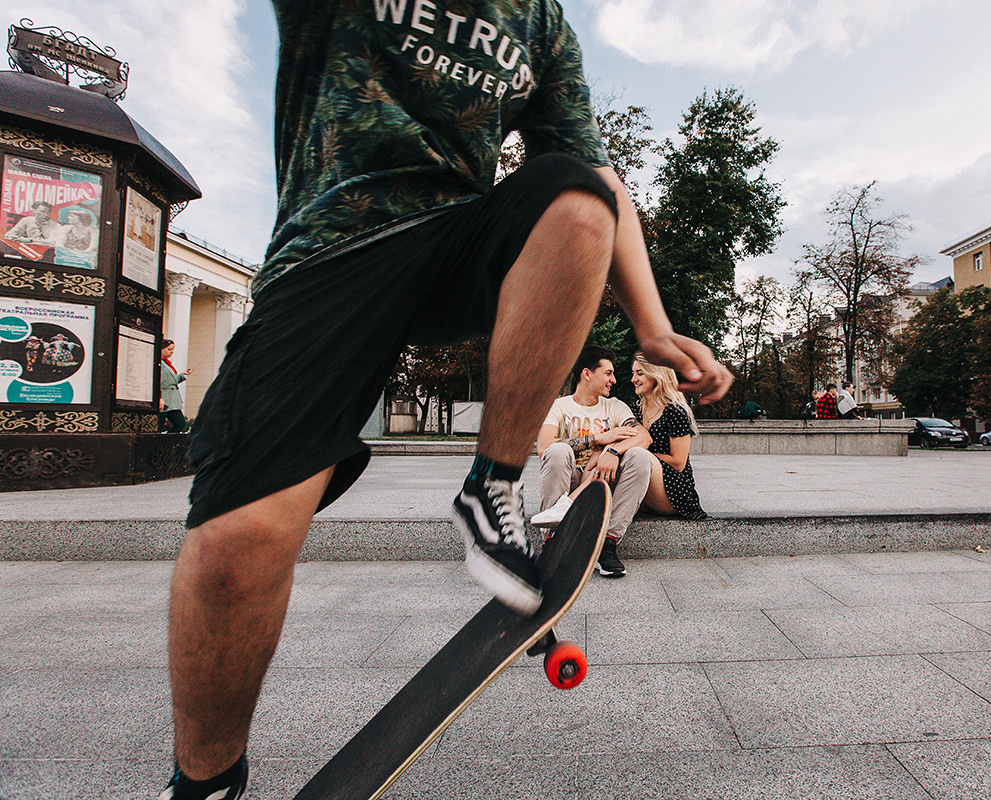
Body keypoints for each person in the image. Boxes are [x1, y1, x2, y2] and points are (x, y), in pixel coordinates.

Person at [160, 4, 733, 799]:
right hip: (335, 253)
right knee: (236, 545)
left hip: (459, 246)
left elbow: (602, 179)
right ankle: (208, 783)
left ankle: (490, 482)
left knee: (576, 195)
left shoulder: (536, 20)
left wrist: (654, 326)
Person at [534, 344, 654, 578]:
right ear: (587, 374)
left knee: (640, 456)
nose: (614, 380)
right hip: (569, 479)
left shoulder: (615, 406)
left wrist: (612, 451)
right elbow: (544, 446)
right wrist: (598, 438)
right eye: (608, 373)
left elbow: (643, 436)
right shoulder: (559, 406)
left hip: (604, 481)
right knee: (558, 451)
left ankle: (607, 544)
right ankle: (553, 542)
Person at [631, 352, 707, 520]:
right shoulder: (634, 409)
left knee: (637, 456)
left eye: (640, 373)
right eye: (633, 373)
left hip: (674, 492)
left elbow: (679, 463)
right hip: (644, 485)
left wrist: (640, 456)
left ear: (656, 374)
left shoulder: (675, 411)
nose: (633, 379)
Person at [159, 339, 193, 433]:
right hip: (164, 401)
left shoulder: (167, 363)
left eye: (173, 350)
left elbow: (171, 381)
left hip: (172, 401)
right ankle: (159, 445)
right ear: (161, 349)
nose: (172, 352)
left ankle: (166, 443)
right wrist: (159, 397)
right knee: (159, 425)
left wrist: (183, 374)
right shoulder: (158, 363)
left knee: (180, 423)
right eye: (169, 349)